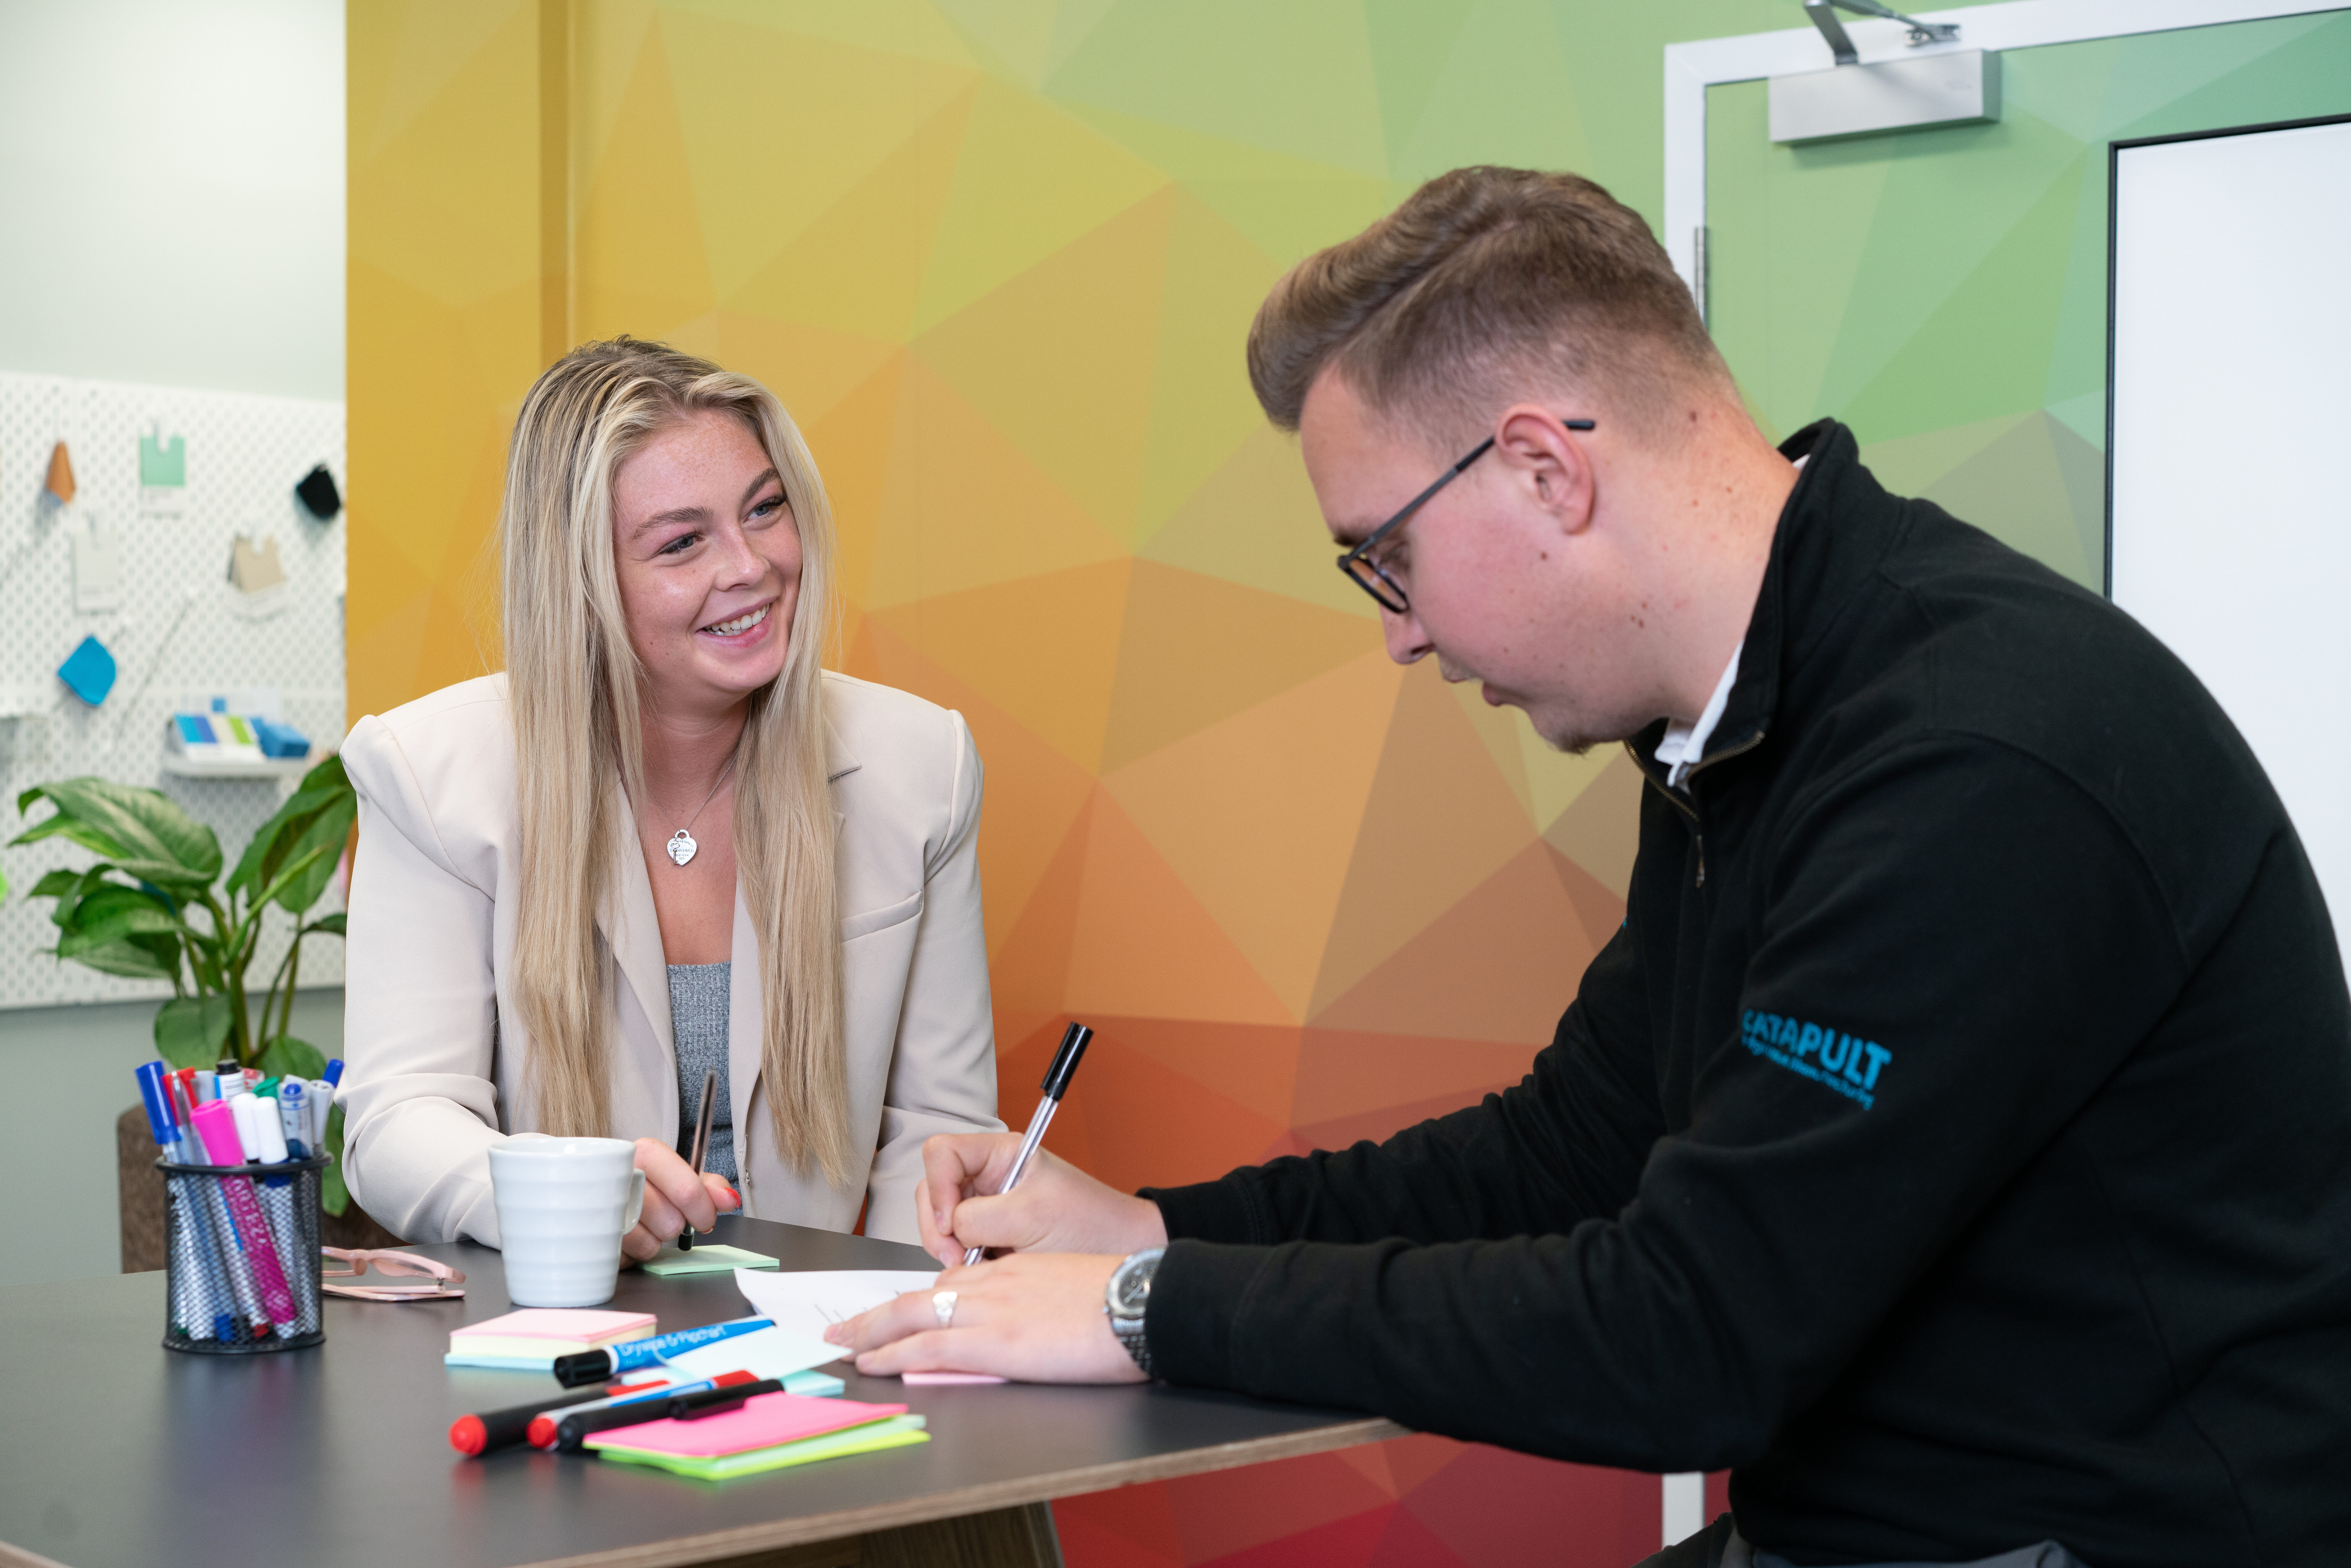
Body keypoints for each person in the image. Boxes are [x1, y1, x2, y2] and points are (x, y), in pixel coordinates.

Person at [824, 169, 2351, 1566]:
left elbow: (1691, 1333)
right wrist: (1157, 1230)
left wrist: (1150, 1312)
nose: (1399, 631)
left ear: (1545, 470)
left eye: (1386, 560)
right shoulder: (1741, 731)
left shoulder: (1971, 762)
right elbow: (1572, 1151)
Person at [340, 338, 1002, 1258]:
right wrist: (565, 1197)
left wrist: (883, 1318)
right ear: (579, 583)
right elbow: (400, 1120)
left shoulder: (922, 764)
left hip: (817, 1346)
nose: (752, 566)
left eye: (765, 510)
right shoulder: (430, 772)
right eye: (683, 542)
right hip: (563, 1335)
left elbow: (938, 1131)